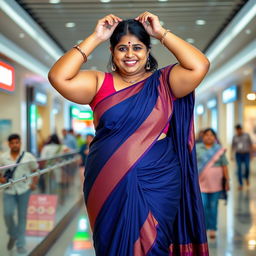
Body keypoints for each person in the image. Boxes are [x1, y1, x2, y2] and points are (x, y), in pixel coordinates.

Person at [48, 12, 210, 255]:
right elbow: (58, 77)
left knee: (157, 243)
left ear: (147, 52)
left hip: (158, 180)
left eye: (137, 47)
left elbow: (200, 65)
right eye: (122, 48)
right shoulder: (98, 82)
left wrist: (160, 32)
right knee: (111, 245)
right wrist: (96, 37)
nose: (130, 54)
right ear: (112, 53)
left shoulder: (164, 83)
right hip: (107, 182)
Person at [0, 134, 38, 254]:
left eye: (17, 142)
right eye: (12, 143)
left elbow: (35, 170)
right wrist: (1, 179)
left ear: (20, 143)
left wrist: (33, 184)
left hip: (24, 190)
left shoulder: (28, 157)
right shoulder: (3, 157)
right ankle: (13, 234)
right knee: (7, 214)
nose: (15, 145)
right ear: (9, 144)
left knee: (22, 217)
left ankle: (20, 244)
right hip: (8, 190)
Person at [196, 128, 230, 240]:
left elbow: (224, 166)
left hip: (216, 184)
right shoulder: (197, 148)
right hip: (201, 183)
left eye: (211, 135)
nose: (209, 137)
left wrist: (227, 181)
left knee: (213, 207)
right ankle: (202, 228)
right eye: (206, 135)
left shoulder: (218, 149)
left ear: (215, 137)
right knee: (203, 206)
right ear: (203, 137)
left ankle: (212, 229)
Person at [40, 134, 69, 200]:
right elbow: (69, 151)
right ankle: (56, 200)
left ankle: (49, 200)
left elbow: (42, 158)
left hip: (48, 169)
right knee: (57, 185)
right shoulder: (62, 147)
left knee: (48, 185)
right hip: (58, 168)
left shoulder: (46, 147)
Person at [231, 124, 253, 190]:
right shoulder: (234, 137)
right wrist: (231, 155)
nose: (238, 131)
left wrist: (251, 154)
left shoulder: (247, 135)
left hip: (246, 154)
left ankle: (246, 178)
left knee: (247, 167)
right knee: (239, 169)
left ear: (241, 129)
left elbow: (250, 144)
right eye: (237, 130)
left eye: (239, 130)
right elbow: (232, 147)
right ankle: (240, 184)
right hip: (238, 154)